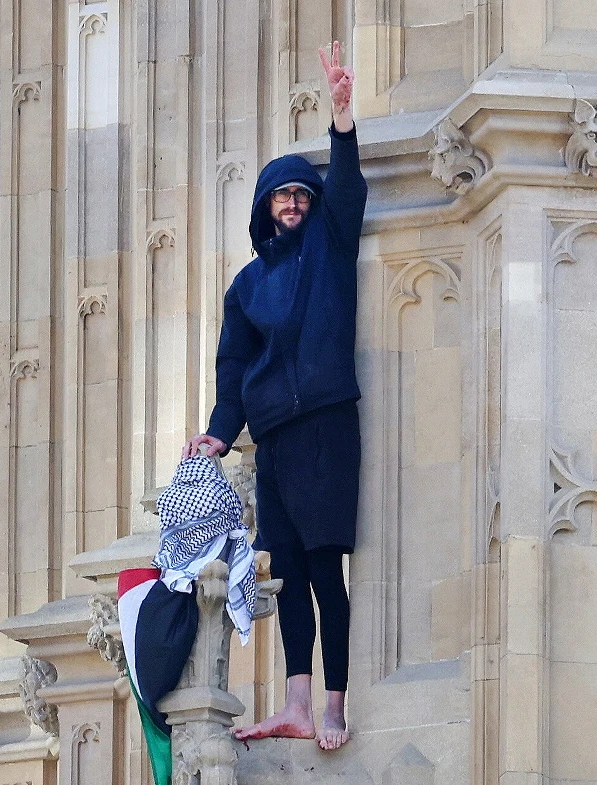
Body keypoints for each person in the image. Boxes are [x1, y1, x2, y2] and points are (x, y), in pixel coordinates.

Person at [182, 40, 365, 752]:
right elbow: (234, 370)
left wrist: (342, 118)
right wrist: (218, 432)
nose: (293, 204)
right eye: (282, 196)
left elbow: (346, 188)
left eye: (300, 195)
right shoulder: (245, 286)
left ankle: (335, 704)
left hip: (325, 421)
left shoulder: (330, 241)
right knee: (285, 571)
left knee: (326, 565)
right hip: (277, 434)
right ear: (264, 208)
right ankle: (294, 700)